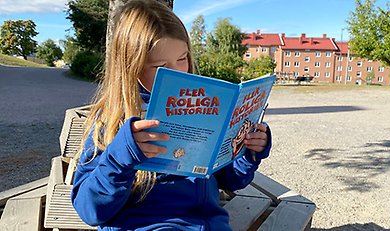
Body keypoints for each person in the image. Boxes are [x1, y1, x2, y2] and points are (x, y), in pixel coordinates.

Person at [71, 0, 272, 230]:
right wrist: (120, 158)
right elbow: (90, 210)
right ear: (131, 66)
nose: (178, 73)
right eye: (160, 66)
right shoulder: (111, 120)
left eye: (182, 58)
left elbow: (232, 181)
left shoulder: (202, 108)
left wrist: (247, 152)